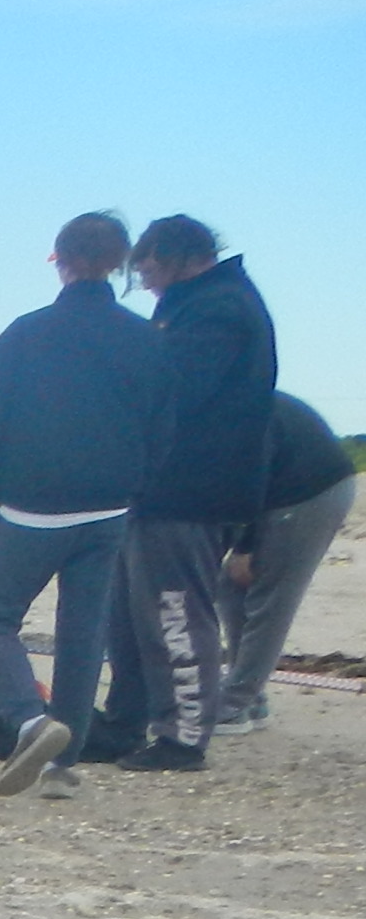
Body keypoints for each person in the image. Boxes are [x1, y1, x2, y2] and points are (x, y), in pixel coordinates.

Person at [0, 209, 163, 795]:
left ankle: (30, 718)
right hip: (111, 505)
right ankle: (60, 768)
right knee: (82, 631)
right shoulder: (143, 337)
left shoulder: (27, 332)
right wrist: (136, 485)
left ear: (59, 260)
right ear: (120, 264)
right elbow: (162, 424)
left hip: (32, 504)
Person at [99, 214, 279, 771]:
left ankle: (182, 737)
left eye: (148, 267)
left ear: (178, 256)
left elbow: (175, 393)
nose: (144, 280)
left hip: (191, 489)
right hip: (160, 489)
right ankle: (125, 722)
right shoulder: (200, 303)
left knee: (173, 612)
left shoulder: (218, 308)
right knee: (129, 615)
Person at [218, 390, 353, 734]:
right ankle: (250, 695)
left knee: (270, 595)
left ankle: (235, 703)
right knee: (231, 586)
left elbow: (250, 472)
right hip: (282, 487)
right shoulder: (228, 398)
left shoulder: (232, 406)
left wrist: (245, 547)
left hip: (311, 491)